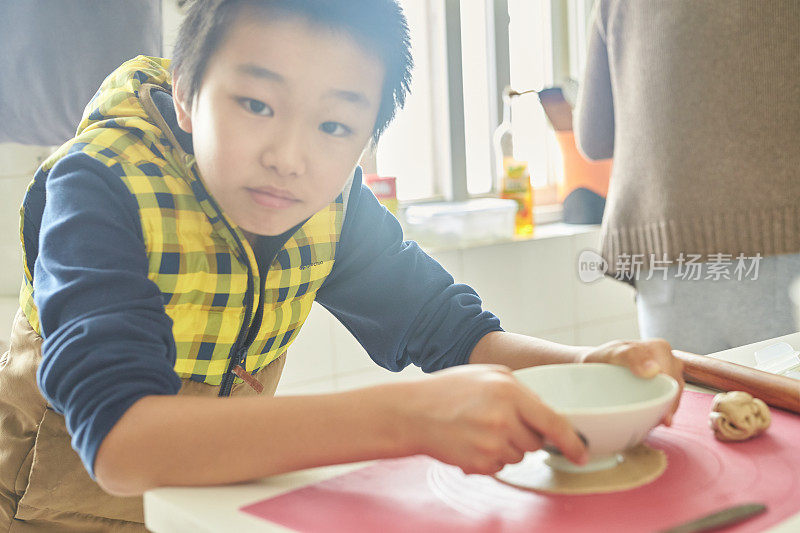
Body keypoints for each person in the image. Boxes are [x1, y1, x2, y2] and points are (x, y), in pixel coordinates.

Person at [0, 0, 683, 530]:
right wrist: (410, 417)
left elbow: (449, 329)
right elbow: (122, 442)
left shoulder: (331, 202)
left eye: (335, 126)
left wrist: (585, 367)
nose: (290, 156)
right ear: (185, 90)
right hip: (44, 508)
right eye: (257, 104)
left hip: (199, 505)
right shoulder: (99, 185)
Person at [575, 0, 800, 355]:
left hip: (666, 256)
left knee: (690, 406)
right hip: (784, 248)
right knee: (784, 406)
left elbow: (594, 138)